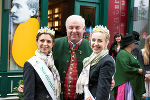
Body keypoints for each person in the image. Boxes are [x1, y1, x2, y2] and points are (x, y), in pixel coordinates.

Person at [53, 15, 115, 100]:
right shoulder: (54, 44)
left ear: (83, 29)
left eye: (77, 27)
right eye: (70, 27)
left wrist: (110, 80)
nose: (74, 31)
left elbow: (103, 70)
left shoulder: (93, 48)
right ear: (66, 29)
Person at [76, 25, 115, 100]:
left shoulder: (107, 61)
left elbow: (103, 90)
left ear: (106, 42)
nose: (96, 44)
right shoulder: (90, 59)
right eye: (93, 40)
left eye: (100, 41)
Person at [23, 27, 61, 100]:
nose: (45, 44)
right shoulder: (31, 64)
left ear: (52, 44)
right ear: (37, 42)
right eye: (42, 41)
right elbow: (28, 94)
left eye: (48, 41)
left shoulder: (53, 62)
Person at [114, 34, 145, 100]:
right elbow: (125, 67)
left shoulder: (129, 53)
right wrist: (137, 70)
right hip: (126, 83)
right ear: (129, 44)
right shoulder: (123, 53)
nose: (134, 44)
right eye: (133, 42)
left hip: (131, 83)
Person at [138, 35, 150, 99]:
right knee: (144, 96)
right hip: (144, 77)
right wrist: (145, 74)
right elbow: (140, 65)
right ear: (147, 42)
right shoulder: (142, 51)